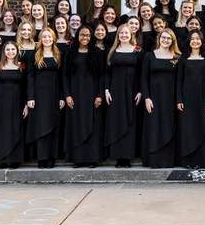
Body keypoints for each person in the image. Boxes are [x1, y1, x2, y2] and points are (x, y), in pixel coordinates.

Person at [64, 25, 104, 166]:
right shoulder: (70, 52)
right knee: (76, 125)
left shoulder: (98, 53)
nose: (85, 37)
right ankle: (78, 159)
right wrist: (67, 95)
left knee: (92, 124)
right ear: (77, 36)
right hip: (75, 94)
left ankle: (92, 158)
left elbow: (102, 76)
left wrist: (100, 95)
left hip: (92, 95)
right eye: (82, 35)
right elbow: (65, 76)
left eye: (87, 35)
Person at [27, 28, 65, 168]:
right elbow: (30, 76)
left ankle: (51, 157)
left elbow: (62, 77)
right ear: (41, 39)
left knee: (53, 124)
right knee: (41, 125)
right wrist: (30, 96)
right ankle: (42, 157)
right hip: (39, 94)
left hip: (54, 94)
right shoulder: (35, 54)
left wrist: (62, 96)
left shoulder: (58, 53)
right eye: (44, 37)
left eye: (49, 36)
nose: (47, 39)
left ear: (53, 38)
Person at [141, 29, 179, 167]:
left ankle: (168, 160)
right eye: (164, 37)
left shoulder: (177, 57)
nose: (166, 40)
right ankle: (154, 160)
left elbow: (180, 80)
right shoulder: (149, 56)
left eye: (169, 38)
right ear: (159, 38)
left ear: (172, 41)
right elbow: (144, 79)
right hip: (154, 98)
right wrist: (147, 97)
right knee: (154, 127)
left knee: (169, 126)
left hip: (171, 98)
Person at [105, 24, 141, 167]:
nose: (124, 35)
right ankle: (118, 157)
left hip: (132, 91)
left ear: (131, 34)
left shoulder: (137, 50)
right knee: (117, 121)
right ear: (118, 35)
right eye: (121, 33)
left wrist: (140, 91)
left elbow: (140, 73)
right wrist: (107, 90)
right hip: (115, 90)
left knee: (130, 121)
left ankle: (127, 157)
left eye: (126, 33)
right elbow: (107, 72)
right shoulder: (112, 51)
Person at [0, 42, 29, 169]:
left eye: (13, 49)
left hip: (17, 101)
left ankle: (15, 159)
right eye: (8, 49)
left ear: (17, 51)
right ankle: (3, 159)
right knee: (2, 130)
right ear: (4, 52)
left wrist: (26, 104)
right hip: (0, 102)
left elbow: (26, 87)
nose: (10, 52)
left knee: (15, 128)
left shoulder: (22, 66)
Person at [176, 31, 205, 167]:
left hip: (202, 98)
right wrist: (179, 99)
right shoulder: (183, 59)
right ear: (189, 41)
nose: (195, 41)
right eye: (192, 39)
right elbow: (179, 81)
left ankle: (201, 161)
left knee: (202, 127)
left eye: (198, 38)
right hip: (186, 99)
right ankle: (188, 160)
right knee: (188, 129)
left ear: (202, 41)